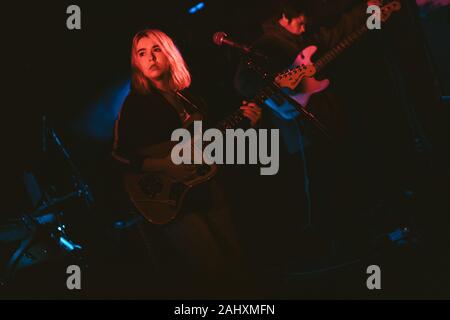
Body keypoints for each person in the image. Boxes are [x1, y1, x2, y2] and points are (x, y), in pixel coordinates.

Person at [233, 0, 384, 268]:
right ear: (283, 17)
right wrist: (280, 87)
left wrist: (368, 9)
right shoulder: (267, 44)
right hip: (301, 132)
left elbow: (336, 32)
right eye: (299, 21)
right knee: (325, 188)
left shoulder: (299, 41)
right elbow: (243, 80)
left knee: (341, 180)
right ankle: (338, 249)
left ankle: (354, 241)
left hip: (322, 121)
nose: (303, 26)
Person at [111, 29, 262, 295]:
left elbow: (212, 146)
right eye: (141, 53)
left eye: (156, 49)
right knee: (212, 271)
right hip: (173, 200)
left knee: (237, 260)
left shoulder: (190, 98)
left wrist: (246, 123)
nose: (150, 58)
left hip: (206, 188)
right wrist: (164, 165)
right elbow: (119, 156)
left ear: (168, 53)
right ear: (136, 63)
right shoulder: (136, 104)